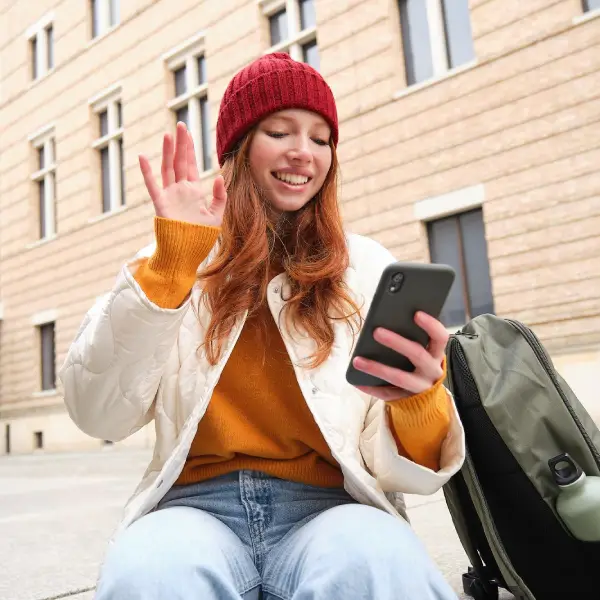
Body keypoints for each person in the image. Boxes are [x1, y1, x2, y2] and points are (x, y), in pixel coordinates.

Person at [59, 53, 465, 600]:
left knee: (383, 563)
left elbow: (401, 474)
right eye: (280, 131)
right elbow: (97, 411)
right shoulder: (174, 259)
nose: (304, 151)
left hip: (330, 508)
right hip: (194, 511)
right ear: (238, 148)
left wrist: (419, 401)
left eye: (321, 139)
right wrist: (172, 267)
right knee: (148, 579)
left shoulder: (365, 269)